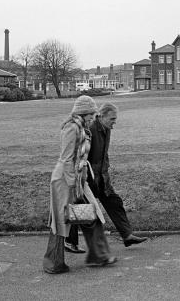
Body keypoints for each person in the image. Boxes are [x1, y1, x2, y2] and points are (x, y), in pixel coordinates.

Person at [43, 95, 117, 274]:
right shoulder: (71, 128)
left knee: (93, 212)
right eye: (91, 113)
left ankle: (98, 255)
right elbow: (67, 159)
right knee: (61, 221)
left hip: (77, 179)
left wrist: (80, 180)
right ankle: (53, 263)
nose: (93, 117)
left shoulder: (83, 128)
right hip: (65, 180)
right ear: (83, 113)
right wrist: (72, 186)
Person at [65, 102, 148, 253]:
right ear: (101, 116)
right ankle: (70, 241)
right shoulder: (90, 130)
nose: (114, 122)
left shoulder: (106, 128)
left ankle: (127, 235)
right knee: (80, 208)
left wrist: (105, 173)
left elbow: (103, 154)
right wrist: (81, 177)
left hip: (101, 177)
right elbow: (81, 155)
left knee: (114, 202)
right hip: (88, 178)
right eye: (112, 119)